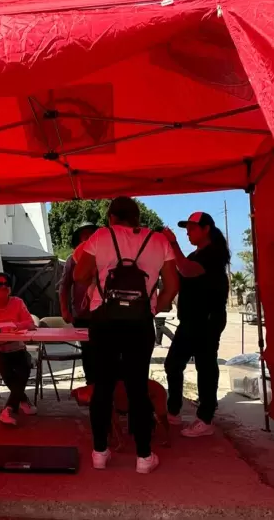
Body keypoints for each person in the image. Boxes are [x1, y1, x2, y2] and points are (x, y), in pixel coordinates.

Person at [74, 197, 179, 474]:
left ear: (111, 217)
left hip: (104, 321)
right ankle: (144, 456)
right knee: (137, 387)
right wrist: (157, 306)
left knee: (103, 386)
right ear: (137, 218)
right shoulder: (158, 241)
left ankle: (99, 452)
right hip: (139, 322)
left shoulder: (100, 236)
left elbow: (80, 274)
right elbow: (173, 284)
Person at [162, 212, 231, 438]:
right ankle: (173, 410)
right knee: (174, 363)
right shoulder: (195, 254)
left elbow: (187, 270)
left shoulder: (213, 254)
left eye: (192, 228)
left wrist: (172, 243)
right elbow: (180, 273)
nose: (188, 233)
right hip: (191, 319)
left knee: (206, 366)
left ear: (206, 229)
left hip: (208, 319)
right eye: (187, 229)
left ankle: (205, 418)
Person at [0, 272, 37, 426]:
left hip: (16, 348)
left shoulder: (18, 302)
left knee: (25, 365)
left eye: (6, 284)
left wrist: (15, 325)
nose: (3, 287)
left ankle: (9, 408)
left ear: (10, 288)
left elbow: (30, 324)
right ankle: (22, 399)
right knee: (3, 366)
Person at [59, 222, 98, 384]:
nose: (88, 238)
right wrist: (64, 310)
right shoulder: (72, 259)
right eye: (84, 235)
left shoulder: (105, 255)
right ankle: (92, 387)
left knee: (106, 352)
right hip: (81, 315)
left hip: (103, 314)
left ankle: (108, 390)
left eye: (91, 234)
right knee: (88, 353)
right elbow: (64, 285)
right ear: (79, 239)